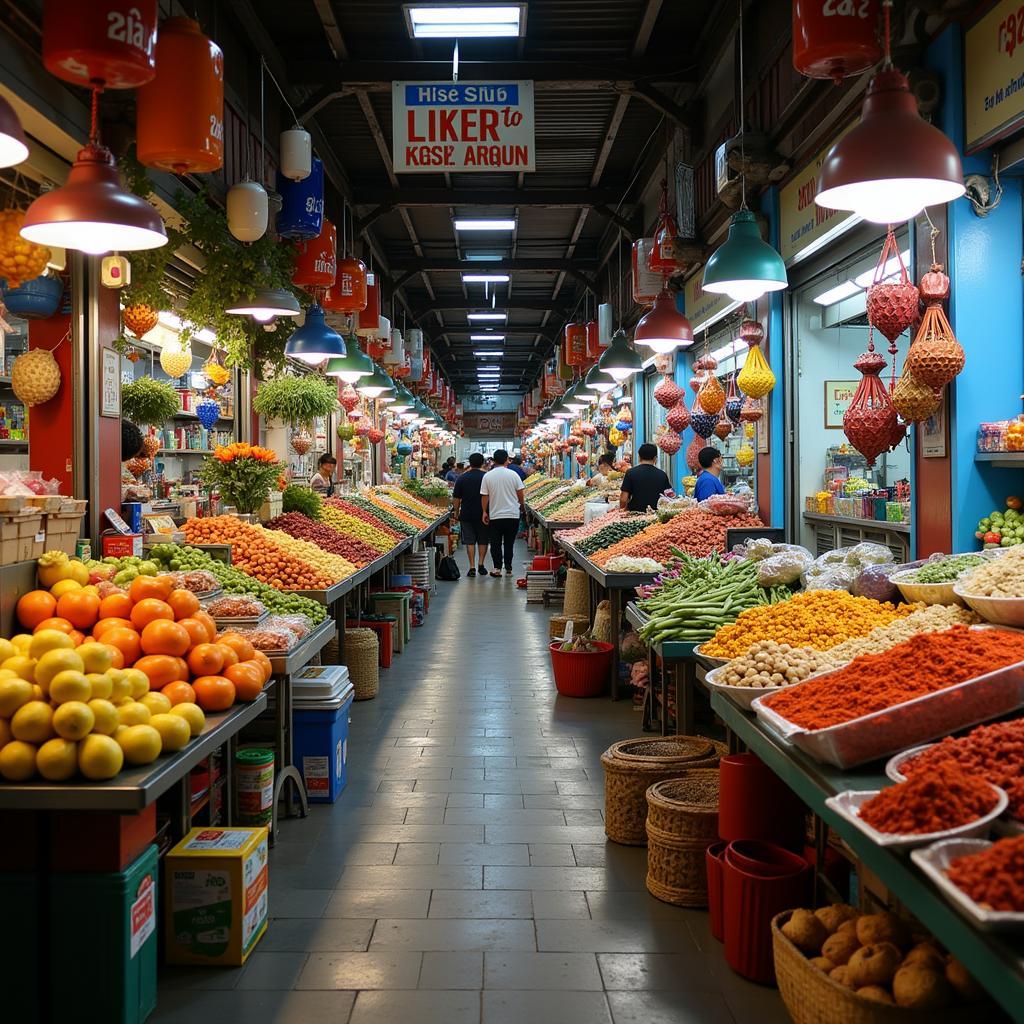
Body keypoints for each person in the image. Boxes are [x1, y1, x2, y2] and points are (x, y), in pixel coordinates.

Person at [481, 449, 525, 577]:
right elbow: (520, 493)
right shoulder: (513, 475)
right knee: (509, 543)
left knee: (495, 543)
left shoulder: (488, 476)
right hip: (512, 515)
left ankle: (497, 568)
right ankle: (509, 568)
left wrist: (484, 511)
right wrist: (521, 506)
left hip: (495, 515)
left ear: (494, 461)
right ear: (507, 460)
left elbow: (485, 496)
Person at [452, 453, 489, 577]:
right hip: (484, 514)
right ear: (482, 463)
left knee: (470, 541)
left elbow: (456, 498)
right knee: (483, 540)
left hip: (466, 514)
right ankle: (481, 564)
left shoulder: (462, 478)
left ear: (470, 463)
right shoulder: (486, 477)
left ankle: (472, 566)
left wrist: (456, 512)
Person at [619, 443, 671, 512]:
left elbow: (623, 499)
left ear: (639, 457)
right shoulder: (662, 475)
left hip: (635, 515)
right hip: (656, 515)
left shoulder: (631, 473)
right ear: (655, 458)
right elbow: (670, 496)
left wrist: (622, 510)